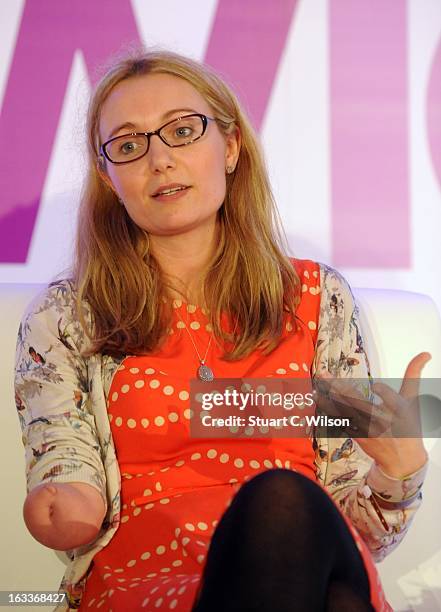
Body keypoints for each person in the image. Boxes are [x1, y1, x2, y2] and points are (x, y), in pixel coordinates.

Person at [14, 49, 430, 612]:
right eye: (130, 146)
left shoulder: (314, 298)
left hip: (298, 565)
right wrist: (64, 502)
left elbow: (356, 537)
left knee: (287, 507)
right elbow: (65, 462)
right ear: (108, 177)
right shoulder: (69, 315)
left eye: (182, 131)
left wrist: (397, 474)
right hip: (148, 585)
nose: (159, 159)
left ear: (230, 147)